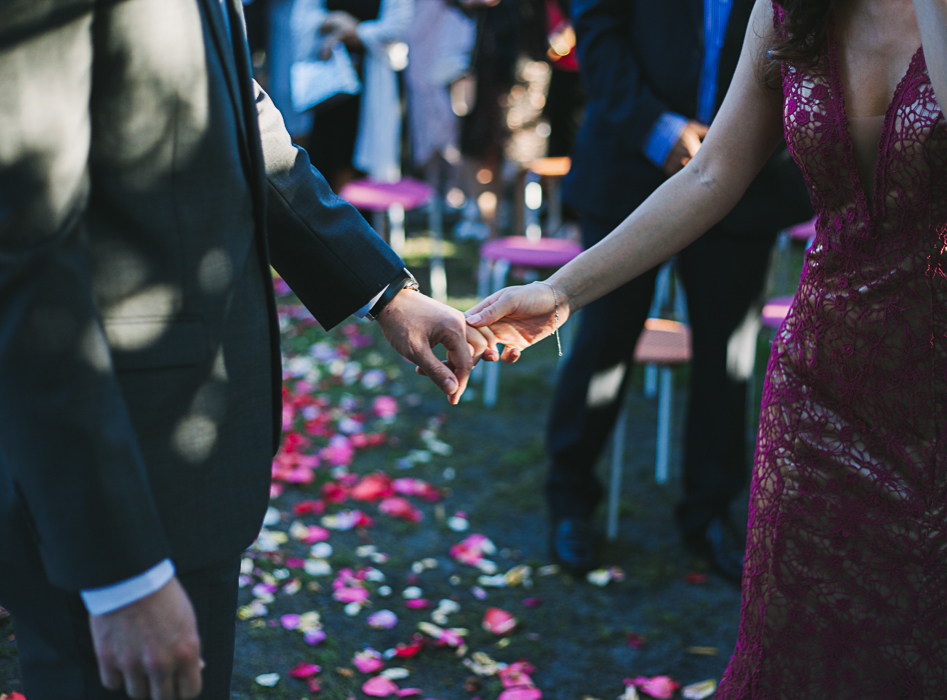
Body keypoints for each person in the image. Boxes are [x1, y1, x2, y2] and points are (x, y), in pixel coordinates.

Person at [0, 1, 493, 698]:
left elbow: (238, 112)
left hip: (192, 461)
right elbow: (22, 241)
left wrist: (383, 289)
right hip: (111, 466)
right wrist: (117, 572)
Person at [468, 0, 947, 692]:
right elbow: (710, 174)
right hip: (820, 393)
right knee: (796, 650)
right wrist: (562, 291)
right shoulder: (789, 10)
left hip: (933, 390)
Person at [541, 0, 811, 579]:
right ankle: (570, 499)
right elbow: (598, 30)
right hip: (629, 167)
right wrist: (656, 127)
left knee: (728, 357)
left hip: (750, 183)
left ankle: (710, 513)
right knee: (605, 343)